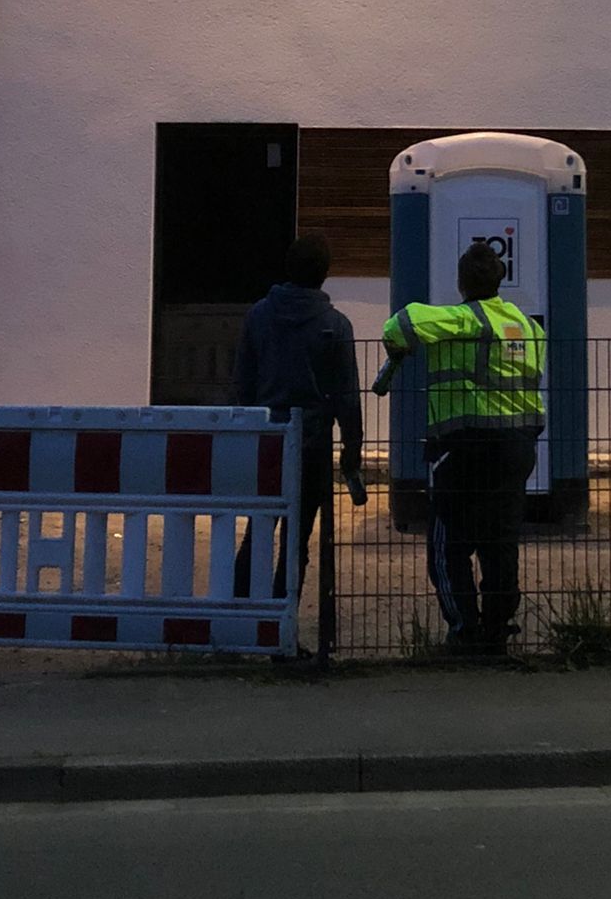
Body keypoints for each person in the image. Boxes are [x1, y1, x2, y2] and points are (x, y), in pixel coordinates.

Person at [380, 242, 546, 654]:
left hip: (466, 448)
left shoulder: (463, 319)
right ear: (501, 280)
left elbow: (398, 325)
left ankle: (464, 631)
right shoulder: (529, 327)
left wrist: (404, 347)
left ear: (461, 282)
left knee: (448, 544)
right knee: (500, 542)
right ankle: (496, 629)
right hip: (518, 449)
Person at [231, 233, 363, 601]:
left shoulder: (259, 315)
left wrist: (244, 432)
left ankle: (240, 615)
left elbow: (243, 382)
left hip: (267, 440)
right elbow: (347, 396)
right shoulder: (336, 325)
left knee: (257, 530)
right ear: (325, 274)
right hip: (312, 443)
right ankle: (282, 617)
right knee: (297, 540)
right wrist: (352, 448)